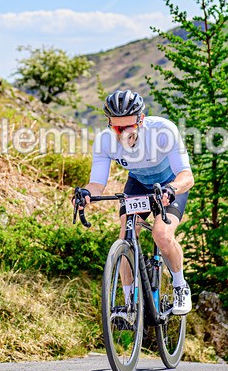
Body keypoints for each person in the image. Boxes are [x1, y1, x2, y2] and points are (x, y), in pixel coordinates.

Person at [75, 90, 195, 315]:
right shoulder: (105, 141)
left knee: (162, 234)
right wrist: (85, 193)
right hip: (138, 183)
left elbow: (187, 176)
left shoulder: (163, 131)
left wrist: (172, 189)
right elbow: (97, 184)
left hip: (170, 184)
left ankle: (180, 286)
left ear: (141, 120)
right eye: (117, 128)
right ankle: (130, 304)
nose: (123, 134)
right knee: (126, 235)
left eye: (128, 127)